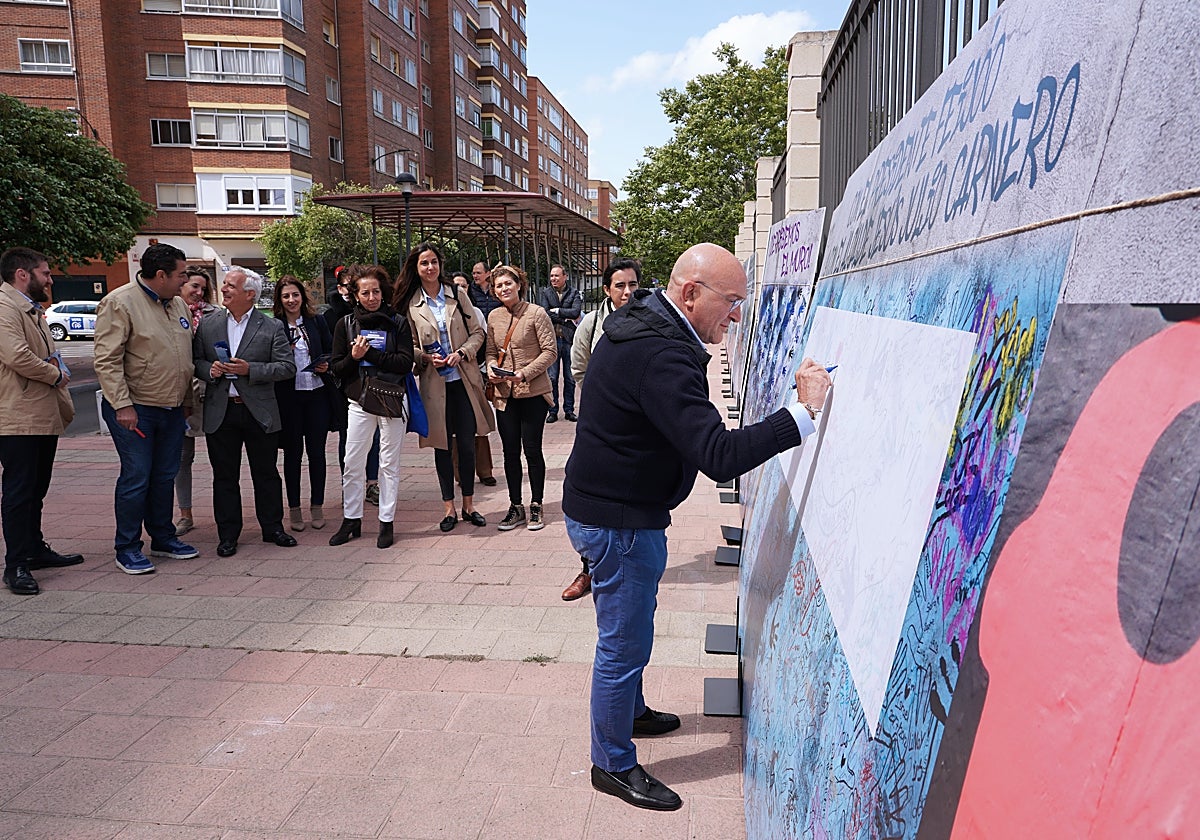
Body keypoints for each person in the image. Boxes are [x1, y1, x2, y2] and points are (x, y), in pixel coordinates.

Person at [562, 243, 832, 811]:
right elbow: (718, 453)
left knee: (629, 629)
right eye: (731, 302)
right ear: (689, 294)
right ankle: (610, 764)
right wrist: (801, 416)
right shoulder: (662, 352)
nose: (735, 316)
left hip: (609, 510)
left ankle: (629, 713)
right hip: (618, 522)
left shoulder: (641, 324)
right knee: (623, 643)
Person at [95, 242, 199, 574]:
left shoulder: (177, 303)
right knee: (137, 476)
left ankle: (163, 537)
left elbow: (184, 357)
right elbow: (107, 360)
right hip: (136, 409)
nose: (185, 282)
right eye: (181, 275)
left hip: (171, 408)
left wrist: (186, 401)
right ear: (159, 275)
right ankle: (127, 547)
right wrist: (122, 405)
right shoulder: (119, 303)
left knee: (164, 475)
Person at [193, 267, 297, 557]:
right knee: (224, 476)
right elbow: (196, 360)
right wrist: (209, 369)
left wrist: (251, 370)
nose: (223, 289)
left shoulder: (272, 326)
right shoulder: (209, 323)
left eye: (231, 286)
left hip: (259, 411)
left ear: (250, 294)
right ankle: (227, 535)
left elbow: (287, 367)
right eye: (224, 285)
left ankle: (273, 528)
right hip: (221, 410)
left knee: (265, 473)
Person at [0, 247, 82, 595]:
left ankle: (33, 550)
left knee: (36, 488)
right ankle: (16, 564)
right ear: (23, 274)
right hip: (17, 416)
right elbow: (16, 355)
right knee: (20, 491)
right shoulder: (5, 307)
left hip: (39, 413)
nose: (50, 279)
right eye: (45, 273)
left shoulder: (31, 309)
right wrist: (55, 375)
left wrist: (53, 370)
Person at [560, 257, 642, 602]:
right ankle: (589, 567)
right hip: (599, 422)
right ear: (607, 289)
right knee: (592, 494)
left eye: (633, 285)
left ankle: (631, 557)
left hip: (637, 424)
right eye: (620, 285)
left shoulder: (648, 322)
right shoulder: (592, 324)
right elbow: (578, 367)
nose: (627, 291)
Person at [395, 243, 493, 532]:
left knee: (466, 442)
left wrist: (462, 352)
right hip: (434, 383)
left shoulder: (457, 295)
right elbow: (407, 346)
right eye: (424, 263)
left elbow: (478, 332)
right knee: (441, 445)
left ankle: (469, 505)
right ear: (416, 268)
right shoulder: (412, 304)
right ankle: (448, 507)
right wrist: (424, 357)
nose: (430, 268)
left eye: (434, 262)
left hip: (462, 379)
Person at [329, 265, 413, 548]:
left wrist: (373, 355)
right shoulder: (346, 324)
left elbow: (405, 363)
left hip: (390, 401)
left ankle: (386, 521)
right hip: (359, 401)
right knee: (352, 461)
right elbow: (337, 368)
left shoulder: (398, 321)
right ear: (355, 295)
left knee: (388, 464)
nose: (372, 297)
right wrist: (354, 356)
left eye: (376, 291)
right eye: (365, 292)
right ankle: (351, 519)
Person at [486, 264, 557, 532]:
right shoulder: (493, 317)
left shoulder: (536, 314)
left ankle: (536, 503)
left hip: (532, 393)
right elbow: (491, 351)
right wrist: (492, 367)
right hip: (504, 395)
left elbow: (550, 352)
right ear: (493, 290)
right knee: (509, 452)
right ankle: (515, 505)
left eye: (508, 283)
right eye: (498, 285)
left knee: (532, 450)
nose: (504, 288)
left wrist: (524, 373)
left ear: (519, 285)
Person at [274, 276, 335, 532]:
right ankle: (295, 509)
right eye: (286, 296)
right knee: (292, 455)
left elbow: (332, 350)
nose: (291, 300)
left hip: (316, 393)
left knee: (317, 453)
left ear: (303, 297)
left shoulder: (316, 320)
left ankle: (317, 506)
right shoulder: (274, 326)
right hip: (289, 397)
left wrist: (326, 364)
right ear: (279, 299)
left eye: (295, 295)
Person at [325, 265, 380, 505]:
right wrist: (352, 356)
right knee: (349, 439)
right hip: (345, 387)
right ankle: (350, 484)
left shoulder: (380, 316)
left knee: (376, 437)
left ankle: (372, 484)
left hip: (376, 385)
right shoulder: (334, 318)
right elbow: (334, 359)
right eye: (352, 287)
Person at [174, 266, 218, 537]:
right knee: (182, 457)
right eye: (194, 286)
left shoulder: (215, 315)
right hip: (180, 393)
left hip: (210, 391)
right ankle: (185, 514)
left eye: (203, 288)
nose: (199, 293)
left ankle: (225, 511)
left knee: (221, 455)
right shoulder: (169, 313)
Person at [451, 271, 497, 488]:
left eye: (463, 286)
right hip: (448, 374)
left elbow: (483, 339)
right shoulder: (443, 310)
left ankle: (485, 470)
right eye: (455, 286)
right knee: (453, 428)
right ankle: (459, 473)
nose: (460, 289)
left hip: (473, 370)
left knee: (478, 421)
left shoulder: (476, 312)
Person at [536, 263, 582, 423]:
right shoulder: (546, 293)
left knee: (570, 377)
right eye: (551, 276)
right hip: (552, 340)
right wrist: (565, 316)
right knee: (552, 377)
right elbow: (544, 313)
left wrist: (557, 311)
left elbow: (576, 312)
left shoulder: (574, 292)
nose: (553, 278)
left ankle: (569, 410)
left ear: (565, 277)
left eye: (556, 275)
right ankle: (553, 410)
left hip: (569, 339)